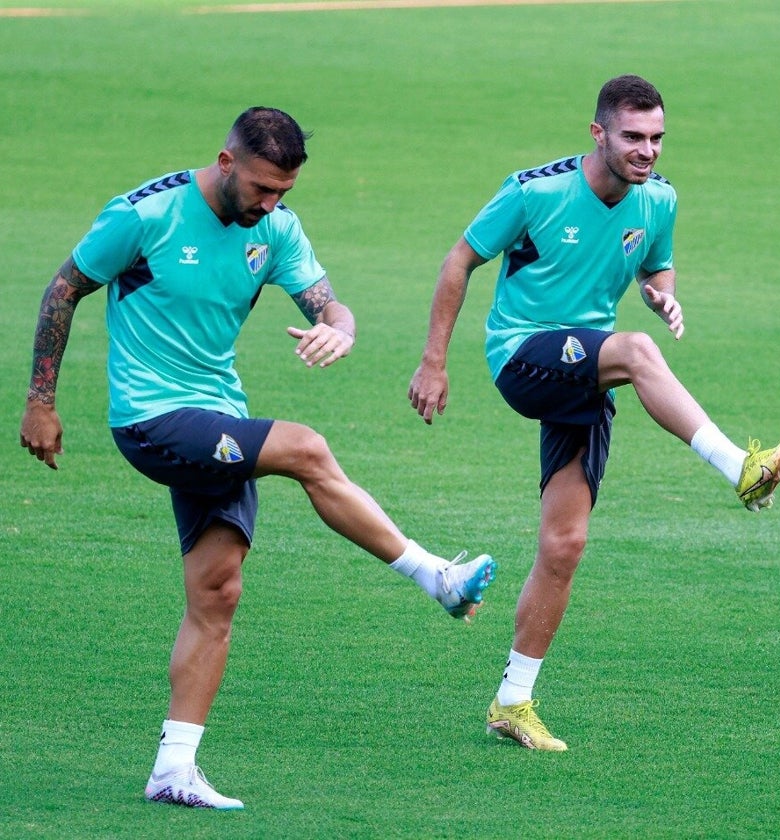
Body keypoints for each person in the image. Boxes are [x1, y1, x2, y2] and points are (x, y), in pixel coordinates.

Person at [18, 107, 498, 809]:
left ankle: (173, 769)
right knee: (306, 448)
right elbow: (64, 290)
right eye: (262, 188)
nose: (270, 205)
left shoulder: (274, 230)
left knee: (218, 594)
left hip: (219, 419)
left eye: (284, 193)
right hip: (151, 419)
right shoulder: (144, 216)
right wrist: (41, 401)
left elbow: (331, 305)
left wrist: (340, 330)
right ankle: (436, 579)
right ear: (226, 160)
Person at [408, 74, 780, 751]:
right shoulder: (535, 192)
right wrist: (434, 361)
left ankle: (512, 702)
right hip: (524, 353)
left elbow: (657, 265)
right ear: (598, 134)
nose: (647, 151)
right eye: (633, 138)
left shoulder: (660, 201)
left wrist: (660, 293)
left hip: (589, 370)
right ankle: (741, 465)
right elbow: (460, 260)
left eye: (657, 138)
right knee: (638, 352)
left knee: (565, 546)